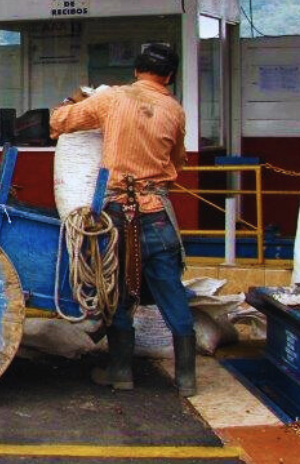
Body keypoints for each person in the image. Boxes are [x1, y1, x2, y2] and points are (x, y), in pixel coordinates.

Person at [49, 43, 196, 397]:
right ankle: (187, 378)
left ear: (136, 71)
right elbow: (179, 161)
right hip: (158, 215)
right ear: (170, 77)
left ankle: (120, 371)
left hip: (117, 215)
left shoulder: (112, 99)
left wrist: (73, 103)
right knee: (170, 291)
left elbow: (58, 122)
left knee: (116, 292)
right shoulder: (174, 111)